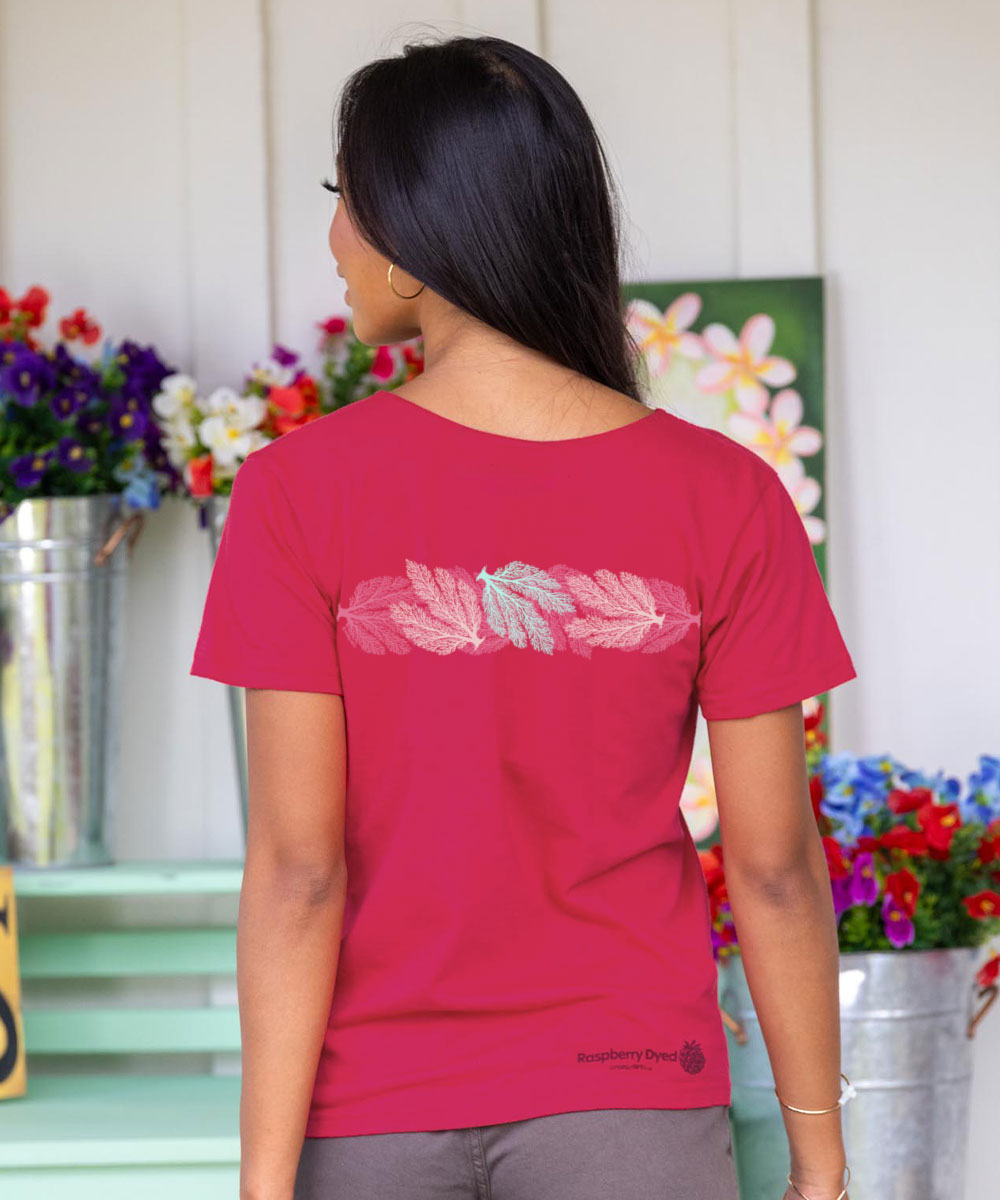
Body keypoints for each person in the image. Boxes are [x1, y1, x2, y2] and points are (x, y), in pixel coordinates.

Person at [190, 32, 856, 1200]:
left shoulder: (298, 493)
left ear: (412, 236)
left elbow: (298, 870)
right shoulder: (725, 494)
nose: (335, 237)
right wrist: (819, 1161)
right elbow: (776, 868)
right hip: (636, 1101)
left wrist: (261, 1181)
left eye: (344, 199)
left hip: (373, 1113)